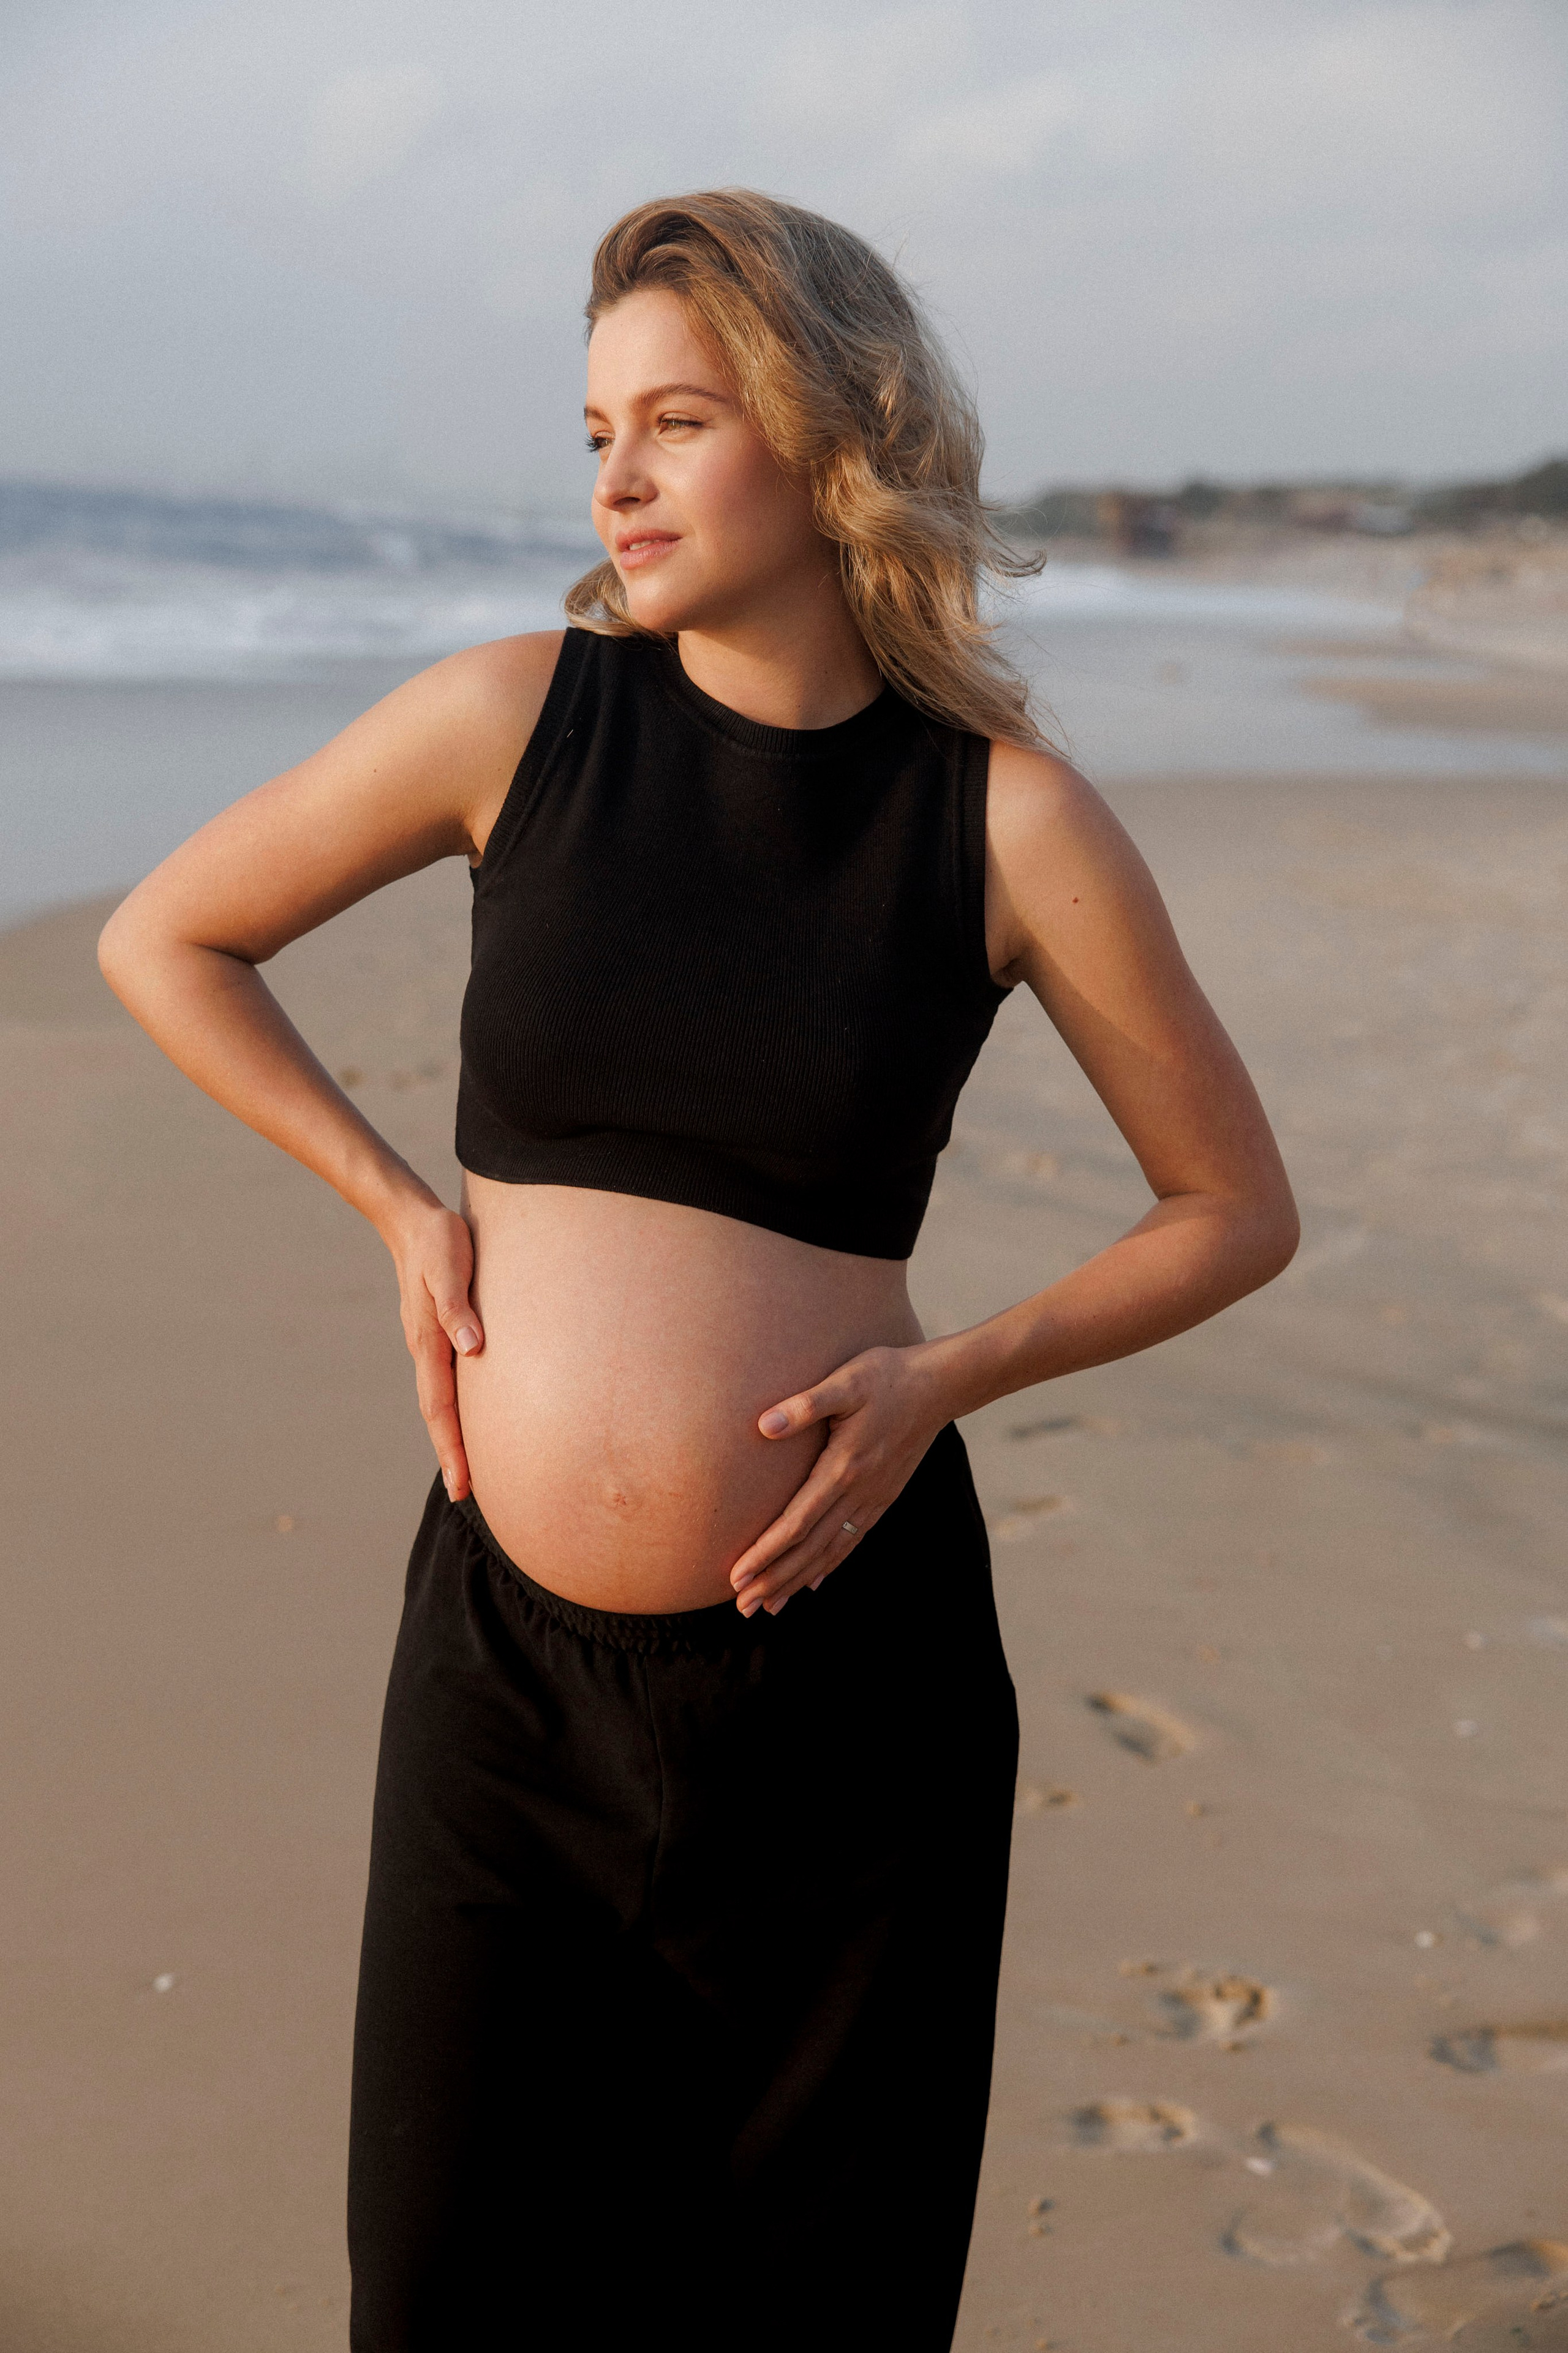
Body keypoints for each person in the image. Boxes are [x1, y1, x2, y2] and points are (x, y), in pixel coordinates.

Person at [98, 189, 1298, 2352]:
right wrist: (397, 1203)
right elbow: (165, 936)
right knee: (443, 2291)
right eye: (591, 433)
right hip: (500, 1678)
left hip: (850, 1695)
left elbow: (1233, 1201)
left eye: (675, 419)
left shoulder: (1003, 820)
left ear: (833, 433)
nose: (616, 479)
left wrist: (955, 1373)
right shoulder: (514, 721)